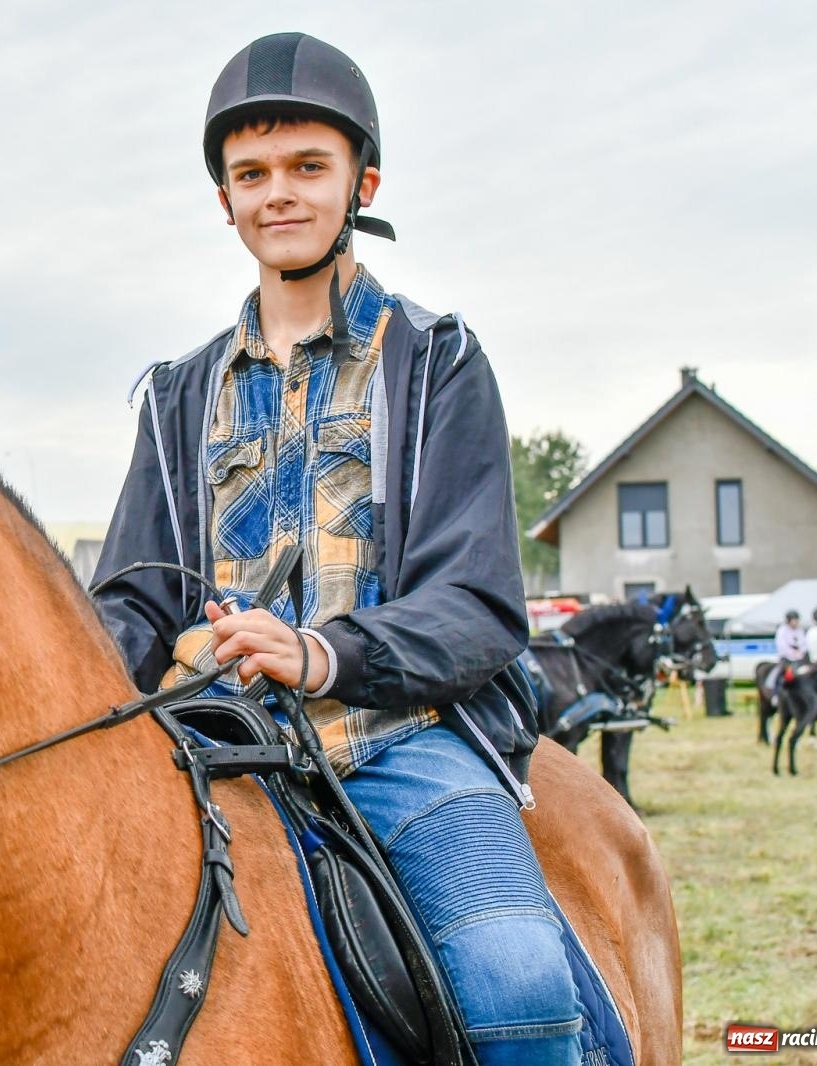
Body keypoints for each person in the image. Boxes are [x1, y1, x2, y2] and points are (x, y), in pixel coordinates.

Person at [93, 33, 581, 1064]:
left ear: (362, 183)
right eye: (251, 174)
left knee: (517, 981)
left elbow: (479, 602)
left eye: (307, 166)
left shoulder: (437, 361)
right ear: (224, 201)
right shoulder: (178, 394)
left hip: (394, 742)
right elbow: (131, 601)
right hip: (204, 746)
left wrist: (321, 653)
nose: (278, 193)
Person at [765, 609, 807, 697]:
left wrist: (801, 652)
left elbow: (804, 643)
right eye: (793, 620)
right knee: (778, 672)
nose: (795, 622)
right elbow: (782, 645)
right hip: (787, 658)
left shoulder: (800, 630)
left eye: (796, 620)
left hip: (800, 657)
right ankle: (774, 692)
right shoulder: (782, 630)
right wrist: (793, 653)